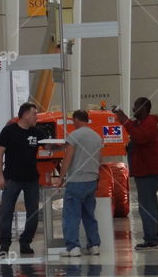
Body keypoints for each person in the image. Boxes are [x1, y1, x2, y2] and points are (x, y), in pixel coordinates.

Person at [115, 98, 158, 251]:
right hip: (144, 170)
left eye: (136, 106)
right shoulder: (141, 123)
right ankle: (153, 237)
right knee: (148, 205)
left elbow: (140, 138)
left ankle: (152, 240)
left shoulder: (149, 123)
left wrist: (124, 120)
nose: (133, 108)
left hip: (148, 171)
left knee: (147, 206)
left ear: (143, 108)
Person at [0, 102, 43, 257]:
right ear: (26, 115)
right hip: (12, 179)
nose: (36, 116)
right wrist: (0, 176)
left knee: (33, 213)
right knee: (6, 212)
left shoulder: (37, 132)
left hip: (31, 180)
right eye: (34, 113)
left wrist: (61, 145)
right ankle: (4, 245)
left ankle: (25, 242)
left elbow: (50, 147)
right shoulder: (9, 131)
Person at [53, 110, 103, 257]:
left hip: (76, 181)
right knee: (89, 215)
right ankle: (94, 246)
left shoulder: (74, 136)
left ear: (76, 120)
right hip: (92, 180)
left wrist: (61, 177)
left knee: (71, 215)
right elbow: (100, 159)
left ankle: (73, 247)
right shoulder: (97, 137)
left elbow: (67, 159)